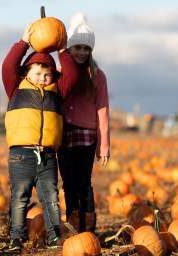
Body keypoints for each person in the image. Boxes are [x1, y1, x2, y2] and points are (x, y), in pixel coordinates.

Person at [1, 24, 79, 253]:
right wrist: (24, 42)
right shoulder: (16, 87)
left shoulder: (58, 90)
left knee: (51, 199)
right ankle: (16, 237)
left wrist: (62, 49)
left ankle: (54, 237)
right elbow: (8, 65)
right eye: (38, 73)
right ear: (27, 72)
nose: (43, 78)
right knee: (19, 198)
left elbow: (72, 74)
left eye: (47, 74)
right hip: (21, 154)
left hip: (47, 155)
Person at [58, 12, 110, 233]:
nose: (81, 52)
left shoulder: (97, 75)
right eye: (77, 47)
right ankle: (72, 225)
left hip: (86, 136)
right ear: (69, 48)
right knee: (68, 183)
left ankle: (88, 227)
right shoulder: (60, 71)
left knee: (83, 183)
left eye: (86, 48)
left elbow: (103, 110)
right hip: (63, 134)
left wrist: (104, 146)